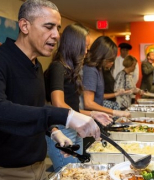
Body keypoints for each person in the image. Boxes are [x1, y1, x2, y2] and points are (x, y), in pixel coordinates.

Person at [0, 1, 100, 179]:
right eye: (49, 27)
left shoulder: (36, 66)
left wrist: (54, 131)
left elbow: (35, 107)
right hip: (3, 169)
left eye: (57, 28)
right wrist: (65, 116)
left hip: (37, 165)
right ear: (25, 26)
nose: (56, 35)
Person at [44, 23, 112, 171]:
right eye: (85, 46)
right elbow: (58, 103)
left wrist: (93, 114)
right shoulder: (58, 67)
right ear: (74, 45)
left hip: (74, 128)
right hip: (61, 129)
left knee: (77, 171)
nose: (87, 51)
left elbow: (73, 109)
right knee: (67, 172)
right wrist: (83, 118)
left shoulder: (71, 70)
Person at [82, 36, 131, 153]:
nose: (112, 63)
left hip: (94, 120)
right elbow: (88, 103)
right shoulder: (90, 70)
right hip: (87, 121)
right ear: (102, 55)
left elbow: (98, 97)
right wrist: (114, 112)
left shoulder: (97, 69)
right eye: (110, 59)